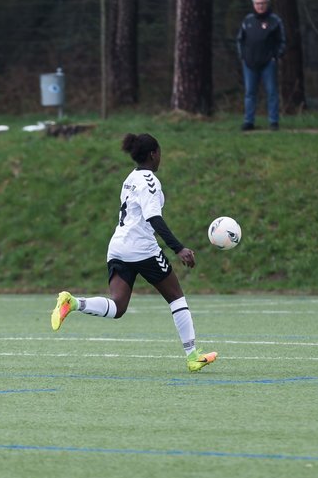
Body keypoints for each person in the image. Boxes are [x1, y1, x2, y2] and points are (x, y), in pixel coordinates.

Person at [50, 133, 217, 373]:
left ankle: (73, 302)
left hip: (118, 246)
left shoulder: (130, 178)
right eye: (159, 153)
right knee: (176, 298)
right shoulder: (149, 180)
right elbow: (154, 217)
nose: (160, 157)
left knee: (118, 307)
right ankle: (193, 356)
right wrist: (178, 248)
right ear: (153, 154)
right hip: (142, 249)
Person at [236, 0, 286, 131]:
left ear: (267, 4)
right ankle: (248, 121)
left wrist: (275, 56)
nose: (260, 6)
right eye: (258, 4)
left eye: (263, 3)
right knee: (250, 93)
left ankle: (273, 121)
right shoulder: (248, 20)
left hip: (268, 63)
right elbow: (240, 40)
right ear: (254, 5)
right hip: (249, 63)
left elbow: (282, 41)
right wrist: (243, 56)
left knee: (271, 92)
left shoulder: (275, 21)